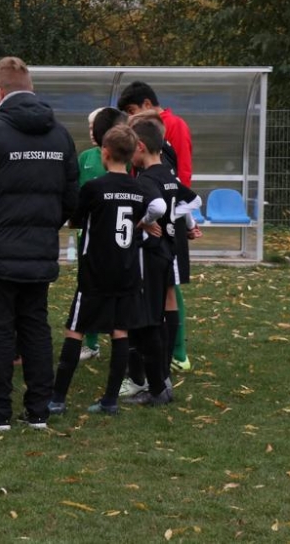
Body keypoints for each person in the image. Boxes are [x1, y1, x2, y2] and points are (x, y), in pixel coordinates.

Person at [0, 56, 79, 431]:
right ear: (32, 88)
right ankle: (38, 409)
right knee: (35, 327)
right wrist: (43, 228)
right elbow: (70, 199)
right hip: (38, 250)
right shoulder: (60, 137)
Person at [48, 124, 165, 416]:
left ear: (105, 152)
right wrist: (144, 222)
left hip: (95, 272)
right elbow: (156, 208)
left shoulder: (93, 188)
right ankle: (110, 400)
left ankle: (57, 398)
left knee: (75, 329)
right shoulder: (138, 189)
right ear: (131, 154)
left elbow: (75, 220)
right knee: (120, 331)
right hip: (127, 271)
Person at [117, 81, 195, 371]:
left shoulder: (174, 127)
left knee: (169, 285)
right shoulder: (141, 138)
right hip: (152, 214)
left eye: (132, 111)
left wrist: (179, 215)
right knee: (158, 286)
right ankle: (155, 354)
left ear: (147, 105)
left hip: (164, 219)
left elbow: (182, 174)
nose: (130, 118)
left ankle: (176, 352)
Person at [123, 120, 200, 406]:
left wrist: (145, 222)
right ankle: (161, 379)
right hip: (168, 250)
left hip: (151, 253)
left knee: (148, 318)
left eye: (132, 149)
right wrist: (180, 223)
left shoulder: (145, 180)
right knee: (159, 312)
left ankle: (156, 387)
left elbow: (158, 206)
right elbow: (194, 200)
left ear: (141, 147)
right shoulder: (168, 174)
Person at [76, 107, 125, 362]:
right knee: (89, 287)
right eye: (88, 127)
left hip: (114, 237)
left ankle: (122, 339)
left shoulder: (123, 159)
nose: (91, 131)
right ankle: (91, 343)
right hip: (88, 235)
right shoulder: (85, 157)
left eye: (94, 126)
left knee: (117, 289)